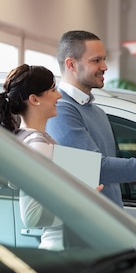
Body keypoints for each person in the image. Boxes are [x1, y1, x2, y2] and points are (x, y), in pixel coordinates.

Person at [46, 30, 136, 207]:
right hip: (83, 226)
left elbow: (111, 164)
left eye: (104, 59)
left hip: (107, 220)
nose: (104, 67)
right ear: (71, 64)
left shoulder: (96, 112)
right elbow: (94, 169)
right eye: (96, 60)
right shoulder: (61, 111)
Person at [0, 64, 103, 249]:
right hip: (62, 249)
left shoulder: (32, 139)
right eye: (52, 90)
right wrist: (82, 202)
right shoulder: (37, 145)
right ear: (34, 99)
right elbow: (32, 217)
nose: (59, 95)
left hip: (64, 246)